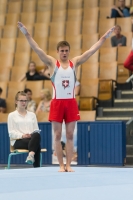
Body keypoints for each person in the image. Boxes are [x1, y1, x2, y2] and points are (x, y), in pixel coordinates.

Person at [17, 21, 115, 172]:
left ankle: (68, 165)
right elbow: (37, 49)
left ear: (69, 51)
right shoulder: (51, 63)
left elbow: (91, 51)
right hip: (57, 102)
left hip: (70, 102)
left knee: (69, 134)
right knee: (57, 135)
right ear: (58, 51)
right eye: (62, 50)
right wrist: (26, 33)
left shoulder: (74, 63)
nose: (64, 53)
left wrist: (104, 37)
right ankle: (61, 165)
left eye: (66, 50)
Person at [7, 91, 41, 167]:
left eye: (25, 100)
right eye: (21, 100)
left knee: (36, 135)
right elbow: (11, 133)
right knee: (37, 145)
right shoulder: (11, 115)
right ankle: (37, 168)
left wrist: (30, 135)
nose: (24, 103)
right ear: (16, 102)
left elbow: (36, 129)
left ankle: (31, 155)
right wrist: (23, 135)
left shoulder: (32, 115)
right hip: (18, 140)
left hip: (31, 139)